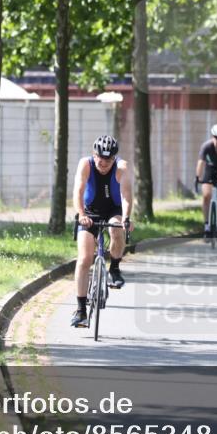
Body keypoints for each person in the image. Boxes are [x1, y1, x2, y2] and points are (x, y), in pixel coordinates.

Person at [71, 135, 132, 328]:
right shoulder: (85, 164)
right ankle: (81, 310)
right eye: (100, 158)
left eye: (109, 159)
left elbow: (126, 196)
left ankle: (114, 268)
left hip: (113, 210)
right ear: (93, 154)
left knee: (116, 230)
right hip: (89, 212)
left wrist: (127, 218)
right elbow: (78, 192)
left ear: (115, 158)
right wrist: (81, 215)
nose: (104, 162)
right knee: (84, 259)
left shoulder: (122, 167)